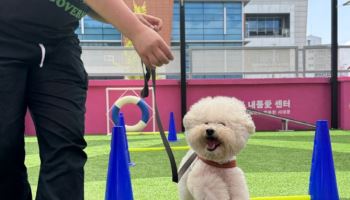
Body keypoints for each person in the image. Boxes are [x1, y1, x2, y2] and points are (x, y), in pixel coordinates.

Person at [0, 0, 173, 199]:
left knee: (66, 149)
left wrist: (127, 18)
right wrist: (135, 30)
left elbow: (85, 5)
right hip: (4, 40)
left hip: (59, 46)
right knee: (4, 148)